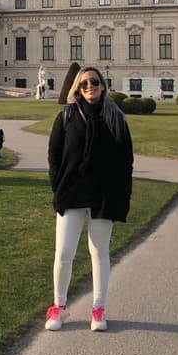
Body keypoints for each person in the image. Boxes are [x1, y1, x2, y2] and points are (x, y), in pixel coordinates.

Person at [45, 66, 133, 333]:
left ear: (103, 85)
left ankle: (98, 308)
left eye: (94, 82)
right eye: (84, 84)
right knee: (63, 252)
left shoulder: (115, 118)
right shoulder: (67, 116)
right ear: (77, 88)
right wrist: (57, 186)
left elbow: (125, 160)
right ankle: (59, 306)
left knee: (99, 252)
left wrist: (121, 193)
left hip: (103, 194)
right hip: (71, 191)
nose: (89, 87)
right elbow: (54, 155)